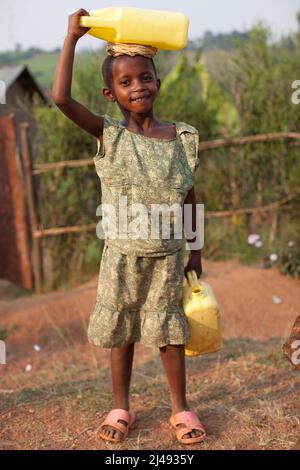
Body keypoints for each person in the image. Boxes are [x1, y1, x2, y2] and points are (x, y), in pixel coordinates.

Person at [52, 8, 206, 445]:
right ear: (109, 93)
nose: (138, 86)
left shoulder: (180, 137)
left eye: (145, 77)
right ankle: (121, 406)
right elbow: (62, 100)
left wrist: (196, 249)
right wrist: (71, 38)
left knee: (169, 332)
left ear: (157, 81)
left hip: (167, 256)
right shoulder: (109, 135)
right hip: (121, 255)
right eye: (126, 82)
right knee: (123, 332)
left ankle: (181, 409)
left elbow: (189, 194)